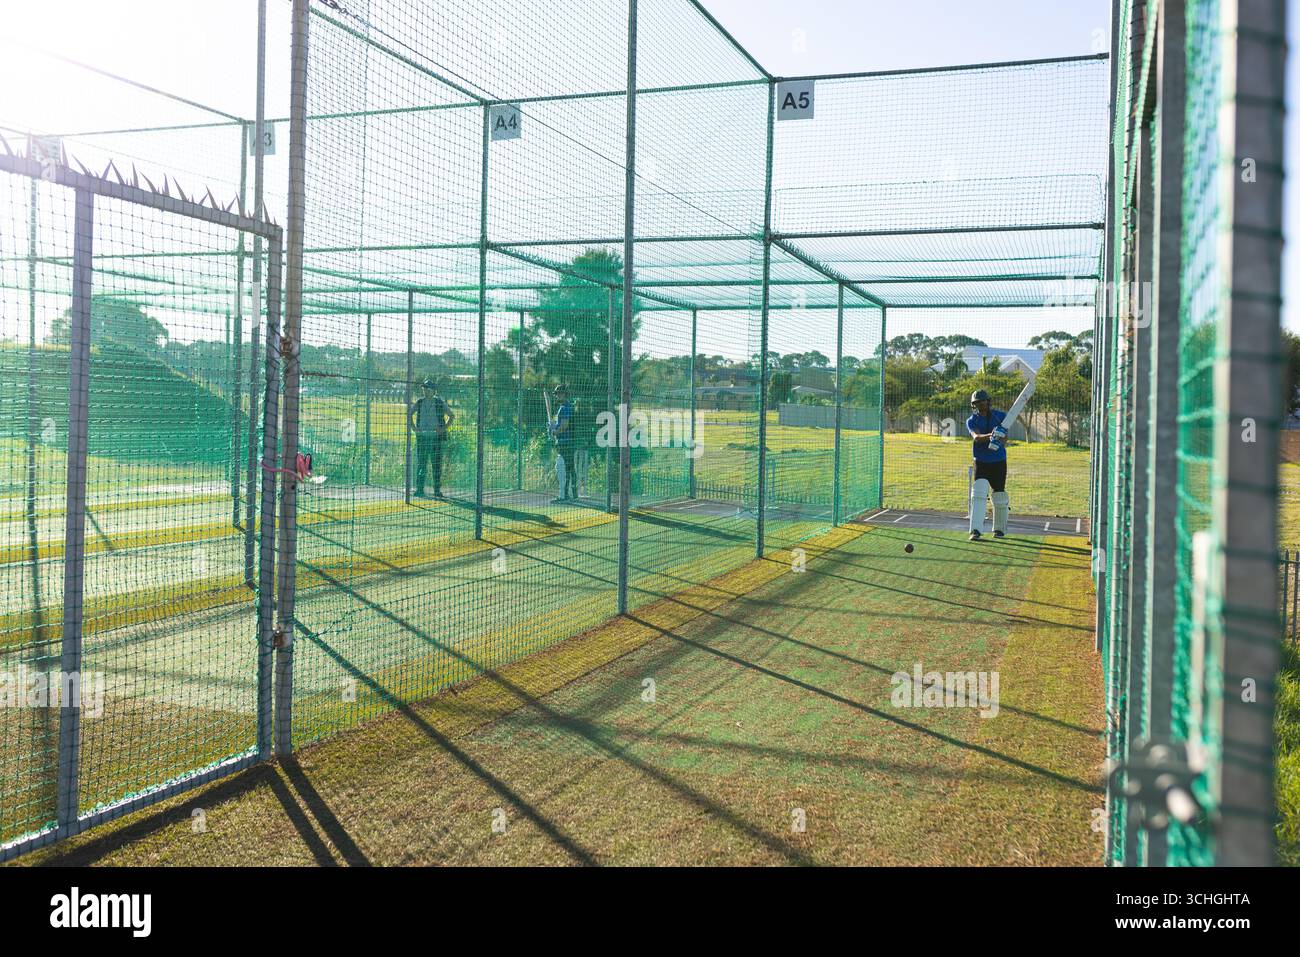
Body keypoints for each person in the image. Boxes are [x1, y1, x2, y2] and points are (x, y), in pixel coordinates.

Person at [966, 388, 1010, 541]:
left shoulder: (1000, 416)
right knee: (979, 493)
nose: (980, 404)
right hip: (981, 461)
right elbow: (976, 437)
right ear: (974, 405)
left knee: (999, 494)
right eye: (977, 402)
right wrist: (992, 435)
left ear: (988, 401)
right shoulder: (971, 421)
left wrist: (1000, 439)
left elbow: (1005, 438)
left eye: (982, 401)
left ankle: (999, 529)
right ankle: (976, 530)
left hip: (998, 461)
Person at [409, 378, 453, 498]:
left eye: (428, 389)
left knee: (436, 464)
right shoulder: (419, 402)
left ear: (434, 391)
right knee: (421, 463)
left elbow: (451, 416)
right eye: (424, 389)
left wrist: (443, 429)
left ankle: (437, 490)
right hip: (422, 438)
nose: (425, 391)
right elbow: (409, 414)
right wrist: (414, 427)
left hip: (436, 439)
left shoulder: (439, 402)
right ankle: (419, 489)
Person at [549, 384, 577, 503]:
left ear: (565, 394)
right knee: (570, 468)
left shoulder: (564, 408)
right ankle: (572, 493)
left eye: (559, 393)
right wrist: (553, 426)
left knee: (561, 467)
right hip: (569, 442)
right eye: (556, 394)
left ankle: (563, 495)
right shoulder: (569, 406)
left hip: (565, 442)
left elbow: (564, 426)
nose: (557, 396)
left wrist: (554, 431)